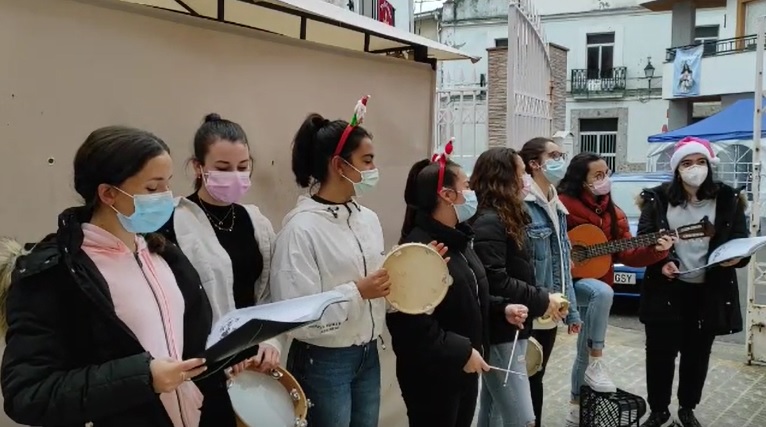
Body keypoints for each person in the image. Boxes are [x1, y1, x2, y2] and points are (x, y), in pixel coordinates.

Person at [0, 126, 228, 427]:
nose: (166, 198)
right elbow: (28, 395)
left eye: (168, 185)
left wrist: (238, 355)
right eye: (152, 188)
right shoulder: (56, 274)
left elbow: (192, 343)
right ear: (107, 193)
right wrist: (144, 377)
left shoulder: (164, 254)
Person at [388, 145, 528, 427]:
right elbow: (410, 326)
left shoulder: (460, 241)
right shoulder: (419, 250)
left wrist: (501, 309)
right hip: (433, 376)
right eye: (466, 186)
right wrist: (461, 351)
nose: (472, 192)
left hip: (462, 369)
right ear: (447, 195)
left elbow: (470, 295)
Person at [269, 100, 388, 427]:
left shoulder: (368, 219)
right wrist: (357, 293)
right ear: (339, 165)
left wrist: (414, 273)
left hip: (368, 353)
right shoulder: (300, 229)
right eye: (367, 160)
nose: (373, 169)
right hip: (323, 359)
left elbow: (379, 287)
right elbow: (295, 314)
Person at [158, 114, 281, 423]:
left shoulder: (255, 221)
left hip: (251, 361)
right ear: (198, 167)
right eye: (223, 169)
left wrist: (269, 341)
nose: (235, 176)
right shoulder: (173, 222)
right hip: (200, 366)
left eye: (243, 167)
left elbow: (268, 294)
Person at [556, 152, 674, 426]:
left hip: (596, 280)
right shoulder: (561, 205)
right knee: (603, 292)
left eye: (606, 173)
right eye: (597, 175)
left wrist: (656, 251)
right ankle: (599, 360)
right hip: (566, 285)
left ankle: (577, 405)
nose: (604, 180)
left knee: (583, 349)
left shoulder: (614, 212)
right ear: (580, 181)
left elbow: (629, 254)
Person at [636, 137, 747, 427]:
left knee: (697, 354)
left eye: (700, 162)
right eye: (686, 163)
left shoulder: (728, 199)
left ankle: (687, 408)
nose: (694, 168)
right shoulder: (657, 198)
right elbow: (644, 236)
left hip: (708, 290)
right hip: (667, 289)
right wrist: (662, 260)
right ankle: (658, 409)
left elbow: (739, 239)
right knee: (660, 352)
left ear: (709, 165)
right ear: (676, 169)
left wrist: (736, 258)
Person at [470, 147, 561, 427]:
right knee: (521, 418)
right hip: (501, 330)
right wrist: (541, 298)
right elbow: (495, 278)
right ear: (503, 177)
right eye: (521, 173)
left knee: (493, 411)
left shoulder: (505, 216)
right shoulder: (490, 220)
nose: (526, 179)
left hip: (511, 325)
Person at [518, 137, 581, 427]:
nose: (561, 161)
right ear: (534, 164)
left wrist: (573, 312)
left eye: (562, 155)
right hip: (532, 306)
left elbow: (563, 261)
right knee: (526, 378)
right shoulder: (522, 204)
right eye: (554, 155)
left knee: (537, 375)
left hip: (553, 309)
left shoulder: (555, 202)